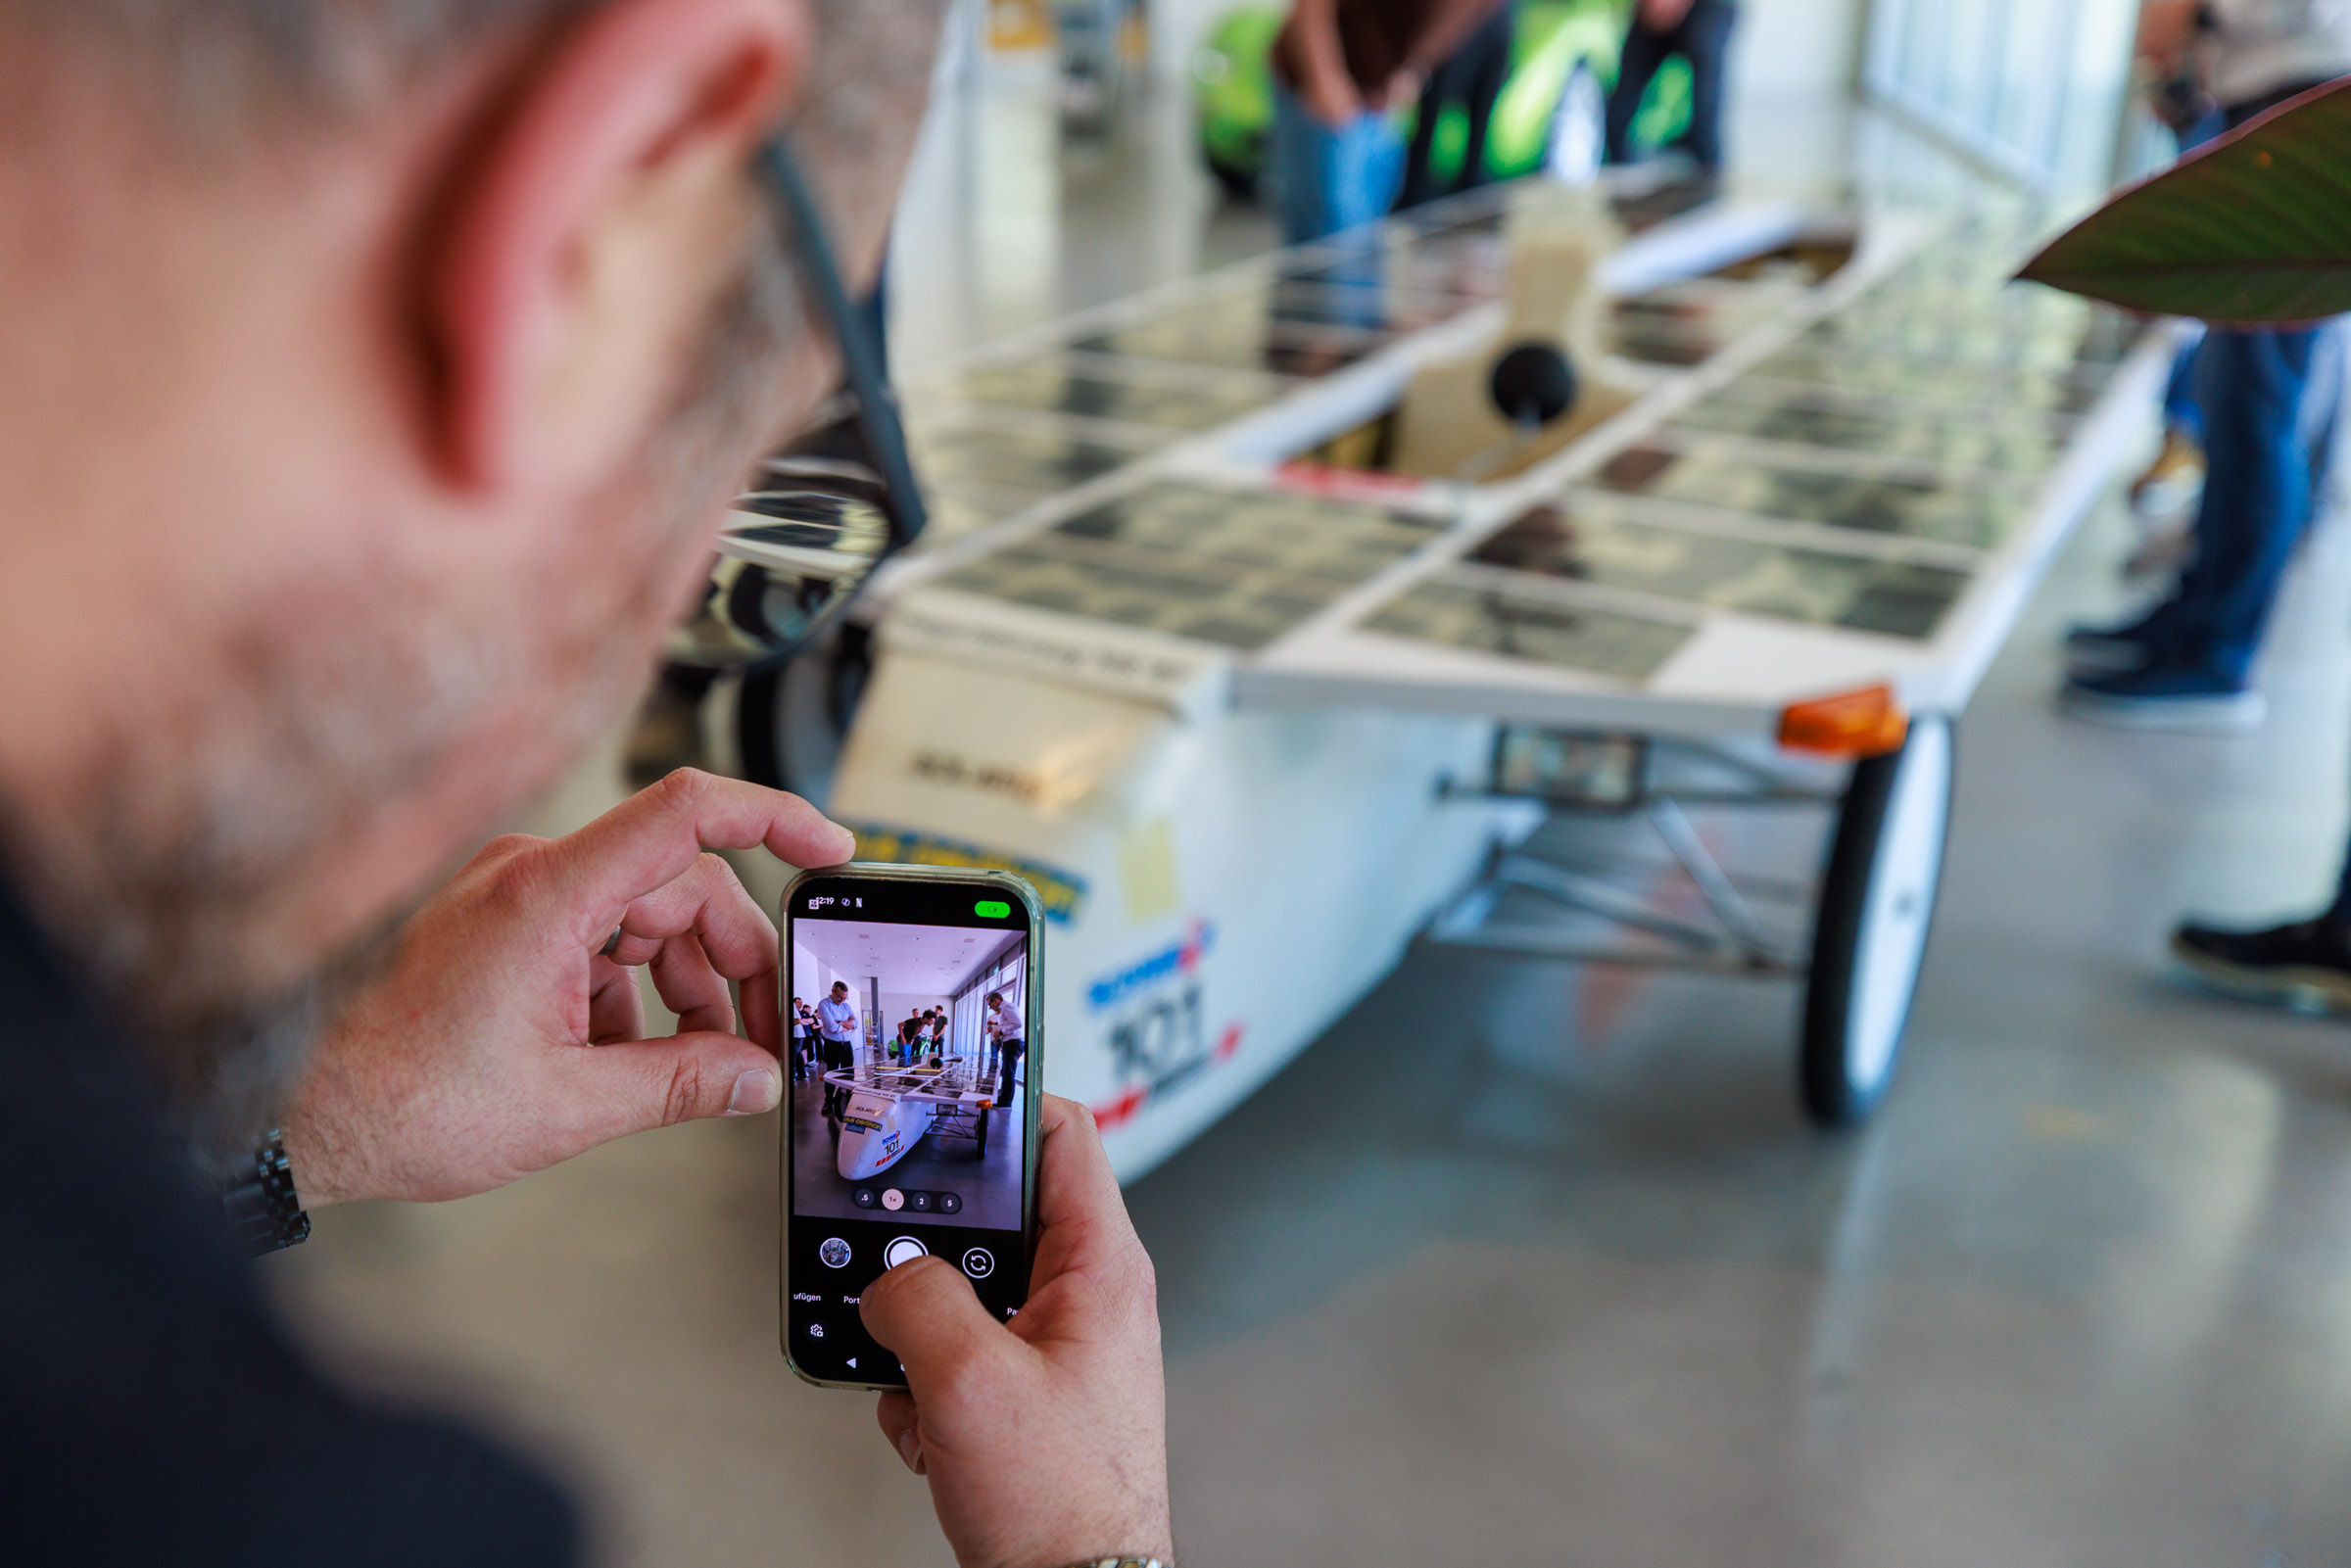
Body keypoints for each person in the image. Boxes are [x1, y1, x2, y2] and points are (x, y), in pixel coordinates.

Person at [0, 4, 1173, 1564]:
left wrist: (312, 1117)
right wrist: (1093, 1543)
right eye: (766, 466)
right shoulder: (254, 1511)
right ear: (595, 212)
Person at [2062, 0, 2351, 733]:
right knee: (2232, 402)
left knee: (2257, 411)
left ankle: (2218, 657)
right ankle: (2193, 618)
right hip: (2266, 108)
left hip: (2306, 109)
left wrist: (2194, 14)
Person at [1267, 0, 1510, 244]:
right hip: (1319, 81)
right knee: (1329, 226)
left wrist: (1413, 67)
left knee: (1371, 225)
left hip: (1379, 89)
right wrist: (1323, 77)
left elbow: (1457, 18)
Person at [1604, 0, 1739, 178]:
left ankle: (1709, 172)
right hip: (1653, 8)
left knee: (1705, 101)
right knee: (1624, 97)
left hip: (1707, 7)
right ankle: (1618, 166)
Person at [818, 979, 859, 1113]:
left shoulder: (846, 1006)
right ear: (833, 991)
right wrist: (848, 1025)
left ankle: (848, 1100)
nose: (842, 1000)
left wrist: (840, 1022)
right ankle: (828, 1101)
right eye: (840, 997)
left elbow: (856, 1024)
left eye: (845, 997)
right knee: (831, 1073)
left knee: (849, 1073)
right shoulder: (824, 1004)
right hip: (832, 1045)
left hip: (847, 1045)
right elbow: (832, 1027)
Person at [985, 989, 1028, 1108]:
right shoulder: (1005, 1008)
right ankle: (1004, 1095)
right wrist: (997, 1026)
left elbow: (1018, 1023)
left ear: (996, 1000)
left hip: (1013, 1043)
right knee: (1005, 1071)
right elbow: (1010, 1023)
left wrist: (1001, 1031)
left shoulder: (1006, 1007)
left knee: (1008, 1072)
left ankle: (1005, 1102)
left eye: (990, 1004)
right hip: (1011, 1043)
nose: (990, 1007)